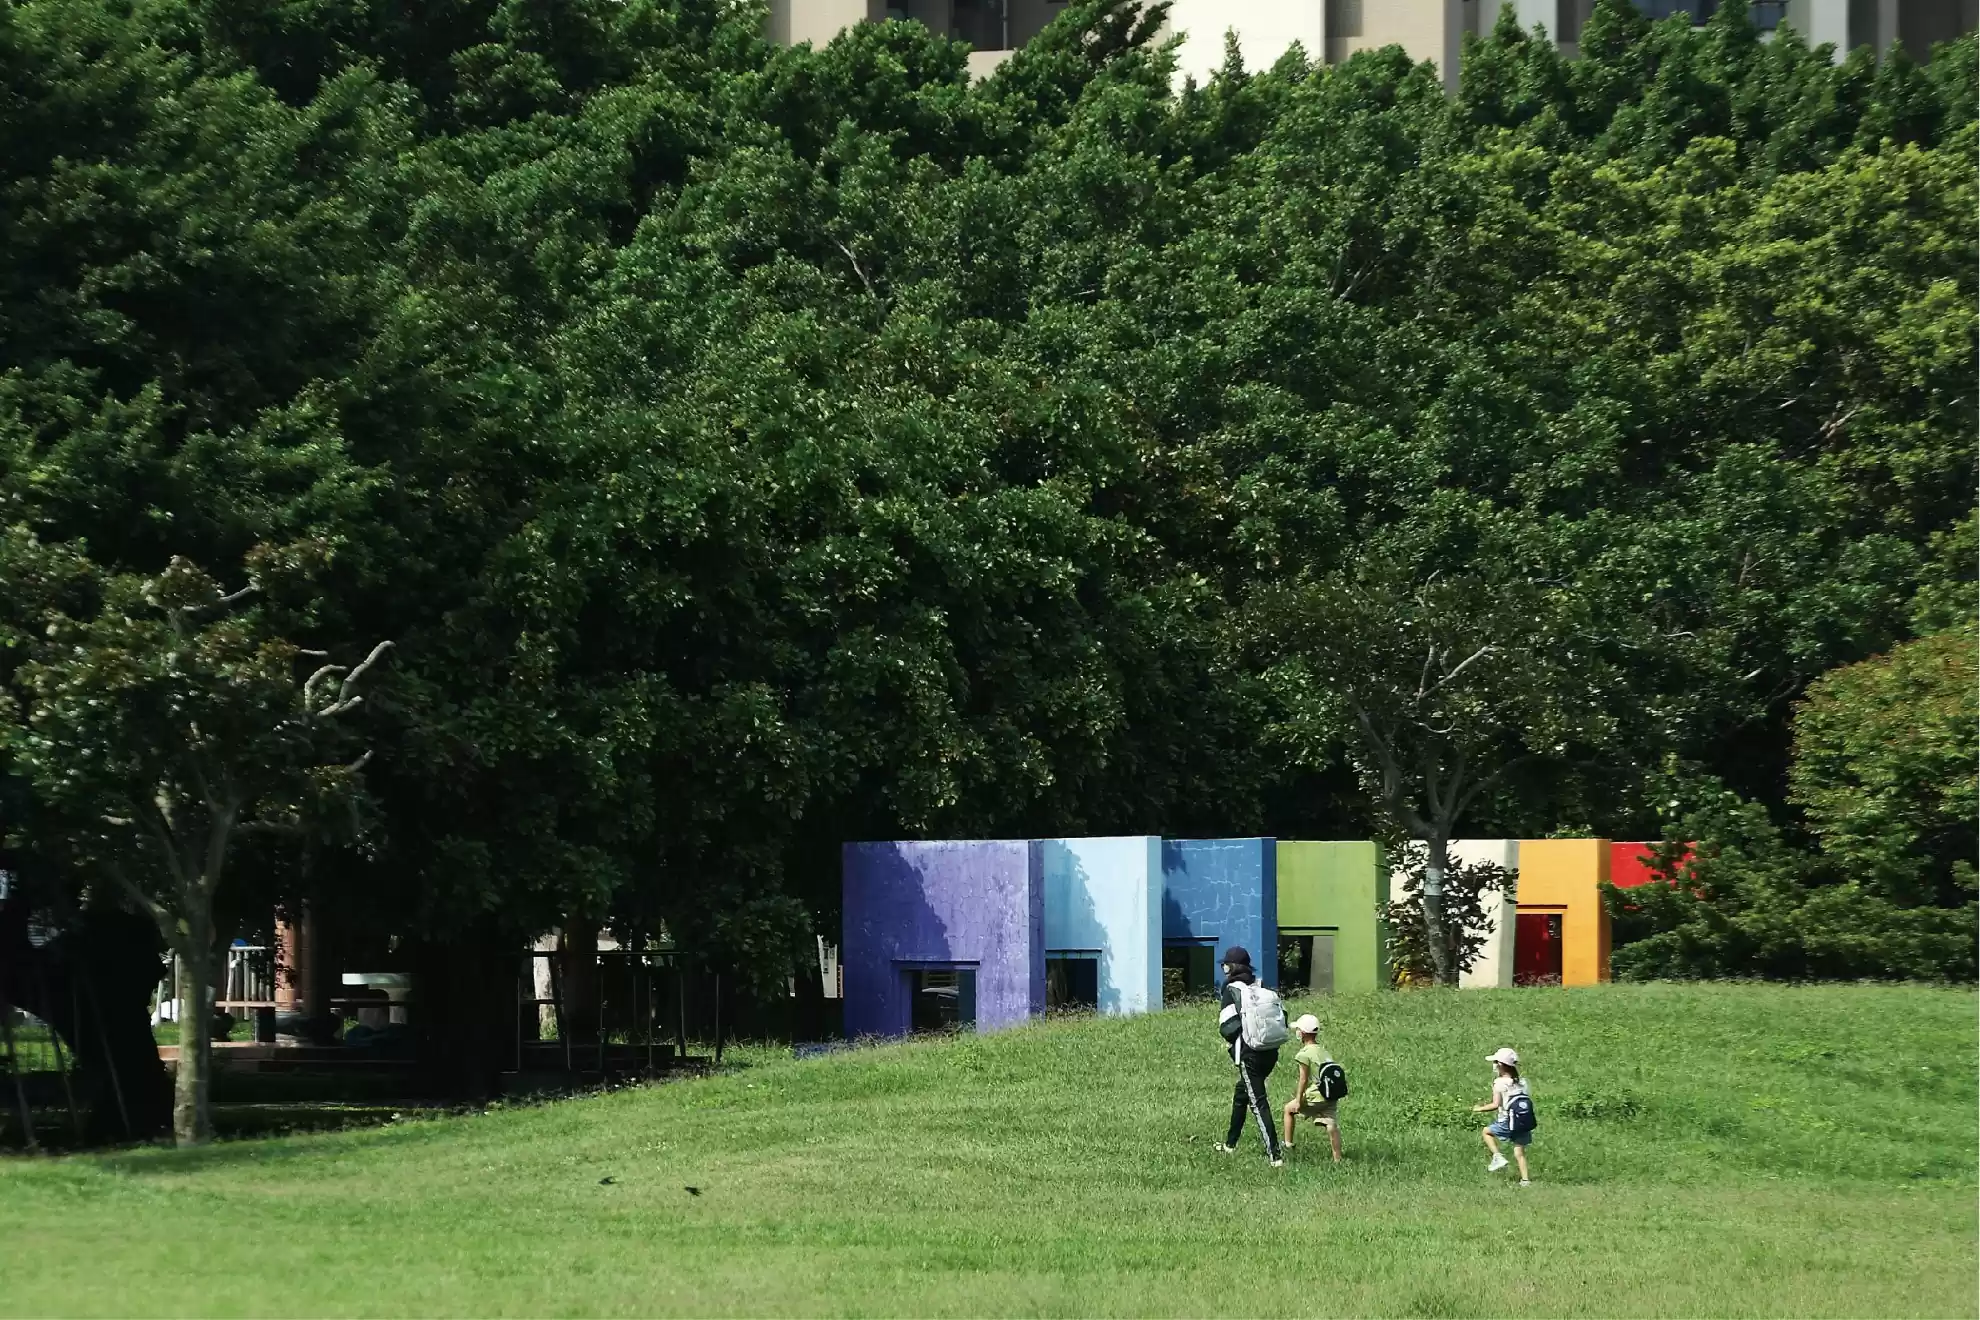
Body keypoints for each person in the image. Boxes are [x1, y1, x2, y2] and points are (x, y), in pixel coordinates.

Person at [1212, 946, 1283, 1167]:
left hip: (1249, 1053)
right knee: (1241, 1095)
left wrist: (1235, 1041)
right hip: (1270, 1050)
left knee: (1258, 1102)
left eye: (1225, 964)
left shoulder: (1231, 990)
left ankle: (1275, 1156)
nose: (1223, 967)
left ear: (1231, 967)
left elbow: (1227, 1026)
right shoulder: (1260, 986)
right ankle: (1230, 1145)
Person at [1281, 1013, 1343, 1162]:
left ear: (1302, 1033)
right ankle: (1338, 1159)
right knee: (1331, 1122)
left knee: (1288, 1110)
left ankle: (1288, 1145)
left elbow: (1303, 1079)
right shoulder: (1323, 1050)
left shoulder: (1304, 1053)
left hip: (1317, 1094)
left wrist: (1297, 1100)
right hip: (1331, 1094)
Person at [1473, 1046, 1532, 1186]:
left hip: (1507, 1120)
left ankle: (1498, 1157)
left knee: (1486, 1132)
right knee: (1519, 1152)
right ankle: (1525, 1180)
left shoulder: (1499, 1083)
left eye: (1495, 1063)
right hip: (1523, 1121)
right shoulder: (1522, 1082)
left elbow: (1496, 1104)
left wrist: (1478, 1109)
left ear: (1500, 1065)